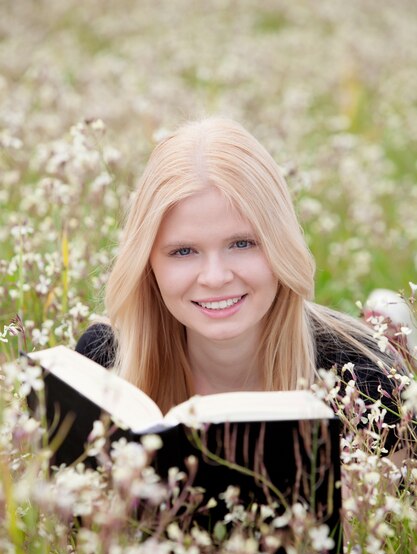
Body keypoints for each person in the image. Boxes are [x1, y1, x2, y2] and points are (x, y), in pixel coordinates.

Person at [74, 117, 408, 508]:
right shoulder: (102, 365)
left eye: (242, 243)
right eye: (183, 251)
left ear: (280, 244)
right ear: (148, 263)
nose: (215, 278)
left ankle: (392, 331)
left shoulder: (365, 388)